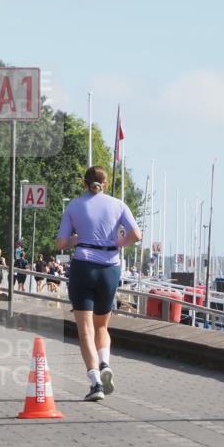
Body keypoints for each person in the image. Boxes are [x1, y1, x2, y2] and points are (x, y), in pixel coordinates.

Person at [56, 166, 141, 402]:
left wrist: (78, 238)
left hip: (83, 265)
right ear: (105, 183)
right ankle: (105, 362)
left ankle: (95, 383)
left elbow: (61, 243)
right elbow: (136, 234)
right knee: (102, 326)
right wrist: (118, 242)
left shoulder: (74, 206)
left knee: (85, 330)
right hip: (110, 268)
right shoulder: (118, 205)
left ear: (85, 184)